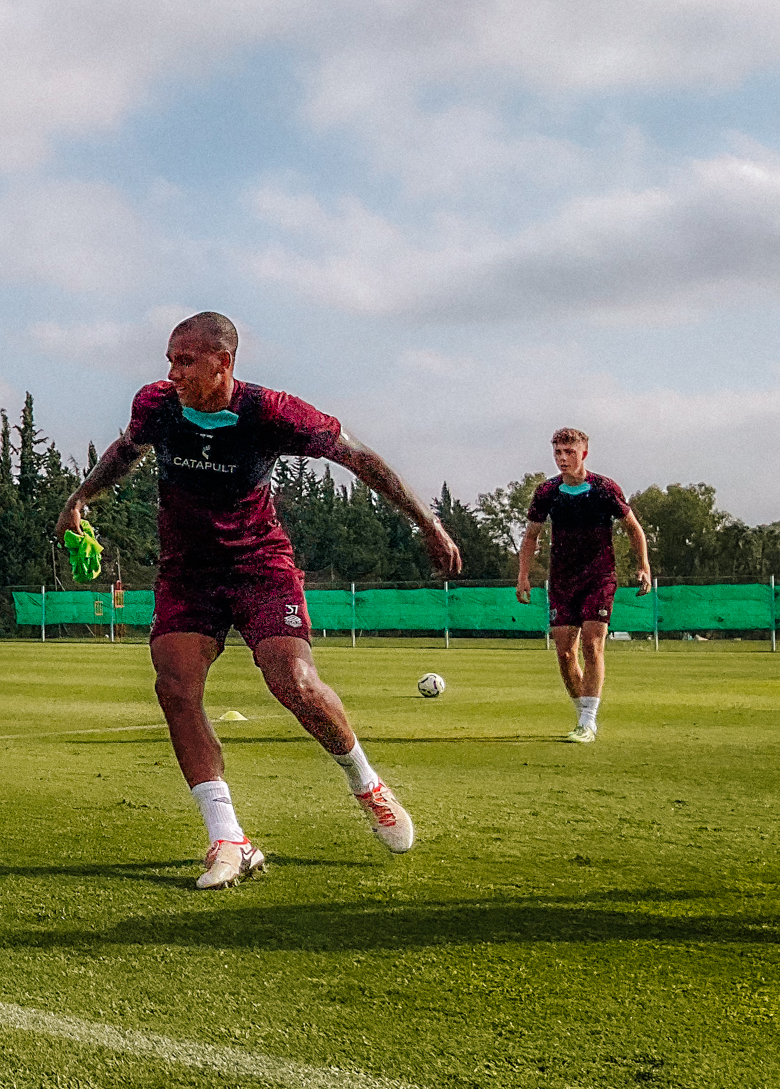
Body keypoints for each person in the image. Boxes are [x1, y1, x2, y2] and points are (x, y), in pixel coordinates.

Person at [54, 312, 461, 890]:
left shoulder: (271, 412)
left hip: (259, 568)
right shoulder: (156, 406)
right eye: (170, 359)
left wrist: (427, 523)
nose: (172, 372)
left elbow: (358, 457)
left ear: (224, 363)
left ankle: (366, 783)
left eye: (186, 361)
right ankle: (229, 838)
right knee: (174, 686)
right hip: (187, 574)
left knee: (292, 681)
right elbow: (128, 449)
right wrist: (81, 496)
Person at [516, 428, 651, 744]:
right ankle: (583, 717)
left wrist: (643, 565)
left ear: (584, 454)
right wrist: (523, 575)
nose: (563, 458)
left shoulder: (604, 489)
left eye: (569, 452)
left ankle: (588, 722)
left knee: (592, 643)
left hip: (599, 576)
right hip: (562, 580)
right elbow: (531, 537)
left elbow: (634, 529)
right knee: (564, 653)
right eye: (558, 453)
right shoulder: (547, 492)